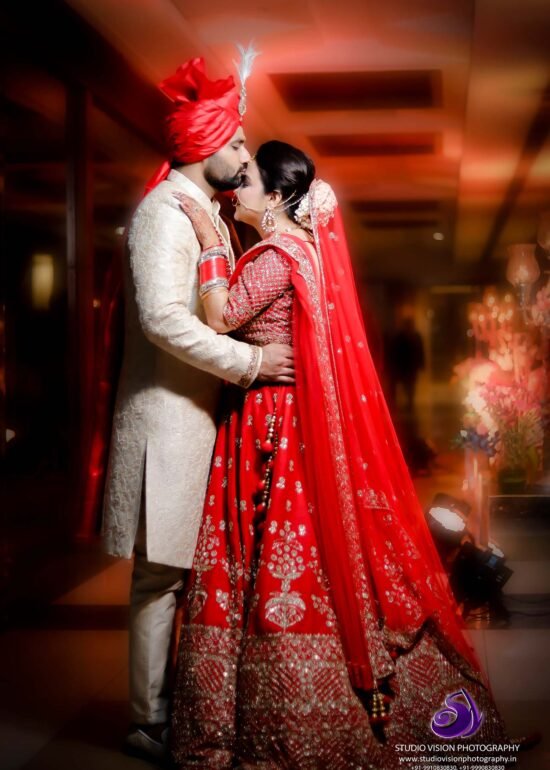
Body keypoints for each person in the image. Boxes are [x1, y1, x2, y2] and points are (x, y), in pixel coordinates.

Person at [169, 140, 509, 769]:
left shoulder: (276, 254)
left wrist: (210, 240)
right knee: (315, 558)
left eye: (245, 181)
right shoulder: (300, 249)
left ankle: (300, 720)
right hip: (288, 420)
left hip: (272, 426)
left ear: (275, 196)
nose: (233, 190)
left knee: (279, 557)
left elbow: (219, 319)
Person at [102, 58, 294, 762]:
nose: (246, 157)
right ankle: (145, 721)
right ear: (208, 143)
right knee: (160, 576)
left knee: (189, 574)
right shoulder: (162, 213)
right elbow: (160, 320)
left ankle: (179, 705)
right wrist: (251, 364)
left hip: (199, 420)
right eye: (239, 143)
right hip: (166, 424)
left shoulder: (202, 213)